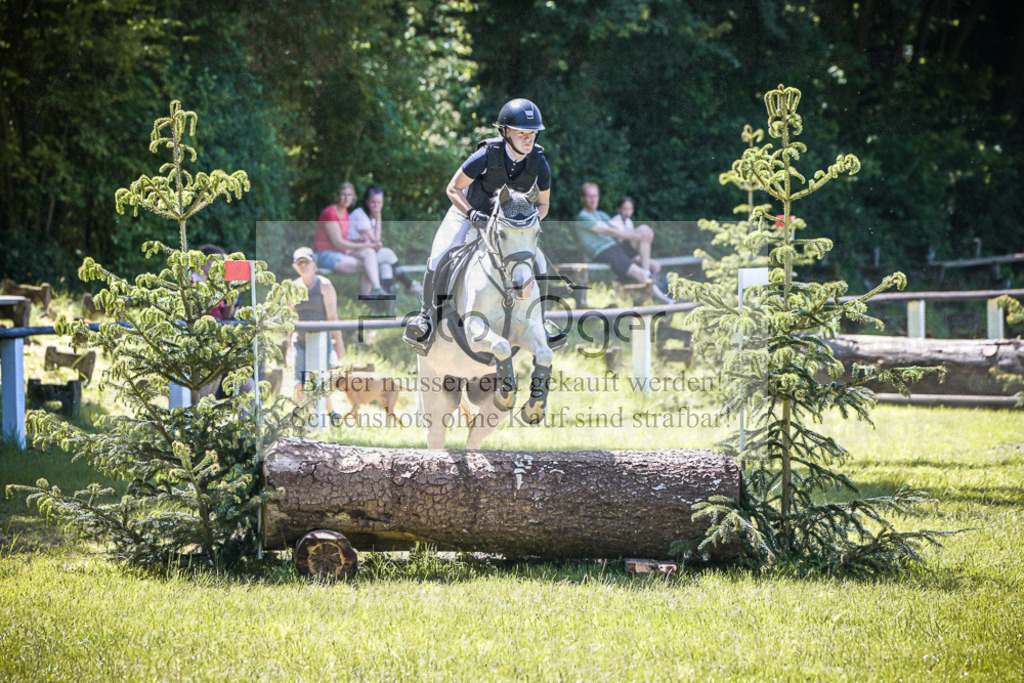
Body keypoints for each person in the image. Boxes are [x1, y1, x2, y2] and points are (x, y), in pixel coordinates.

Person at [403, 97, 557, 352]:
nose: (529, 139)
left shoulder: (539, 163)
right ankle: (426, 318)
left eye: (532, 134)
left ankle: (542, 321)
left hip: (509, 225)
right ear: (505, 132)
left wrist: (526, 224)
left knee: (538, 261)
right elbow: (453, 189)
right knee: (440, 255)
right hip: (467, 212)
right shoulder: (486, 155)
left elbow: (544, 205)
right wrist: (473, 214)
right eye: (522, 134)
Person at [576, 182, 671, 304]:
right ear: (582, 198)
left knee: (644, 229)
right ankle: (666, 300)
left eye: (596, 196)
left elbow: (621, 232)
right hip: (604, 253)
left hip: (616, 248)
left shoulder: (601, 214)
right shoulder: (583, 216)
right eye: (590, 196)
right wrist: (637, 235)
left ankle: (647, 271)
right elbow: (610, 231)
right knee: (641, 273)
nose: (593, 199)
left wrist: (644, 234)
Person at [289, 247, 346, 416]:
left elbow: (333, 317)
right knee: (299, 380)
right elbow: (290, 319)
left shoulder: (325, 285)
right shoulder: (292, 287)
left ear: (314, 264)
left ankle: (329, 412)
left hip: (321, 340)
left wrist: (339, 344)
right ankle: (304, 415)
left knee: (320, 378)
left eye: (306, 262)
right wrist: (287, 348)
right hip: (299, 340)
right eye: (300, 263)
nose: (303, 266)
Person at [314, 182, 385, 296]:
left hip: (340, 253)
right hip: (326, 255)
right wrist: (362, 245)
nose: (347, 198)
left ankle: (377, 289)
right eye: (343, 194)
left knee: (369, 254)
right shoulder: (330, 213)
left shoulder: (345, 213)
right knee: (368, 266)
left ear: (353, 197)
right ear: (337, 196)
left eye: (350, 195)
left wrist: (358, 240)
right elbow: (337, 242)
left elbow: (343, 239)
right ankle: (367, 298)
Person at [347, 185, 420, 295]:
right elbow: (376, 241)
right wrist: (379, 217)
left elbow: (376, 242)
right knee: (387, 254)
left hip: (364, 254)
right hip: (352, 254)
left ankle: (386, 302)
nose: (376, 206)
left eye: (379, 203)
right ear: (366, 201)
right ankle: (409, 284)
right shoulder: (360, 215)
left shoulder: (370, 216)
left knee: (386, 266)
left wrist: (376, 239)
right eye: (373, 202)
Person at [609, 196, 661, 279]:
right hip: (620, 254)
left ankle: (655, 284)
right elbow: (620, 240)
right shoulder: (614, 222)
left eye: (629, 209)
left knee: (656, 265)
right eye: (624, 209)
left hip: (631, 254)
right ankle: (647, 273)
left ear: (632, 210)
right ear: (618, 209)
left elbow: (633, 244)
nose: (627, 212)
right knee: (643, 228)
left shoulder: (629, 222)